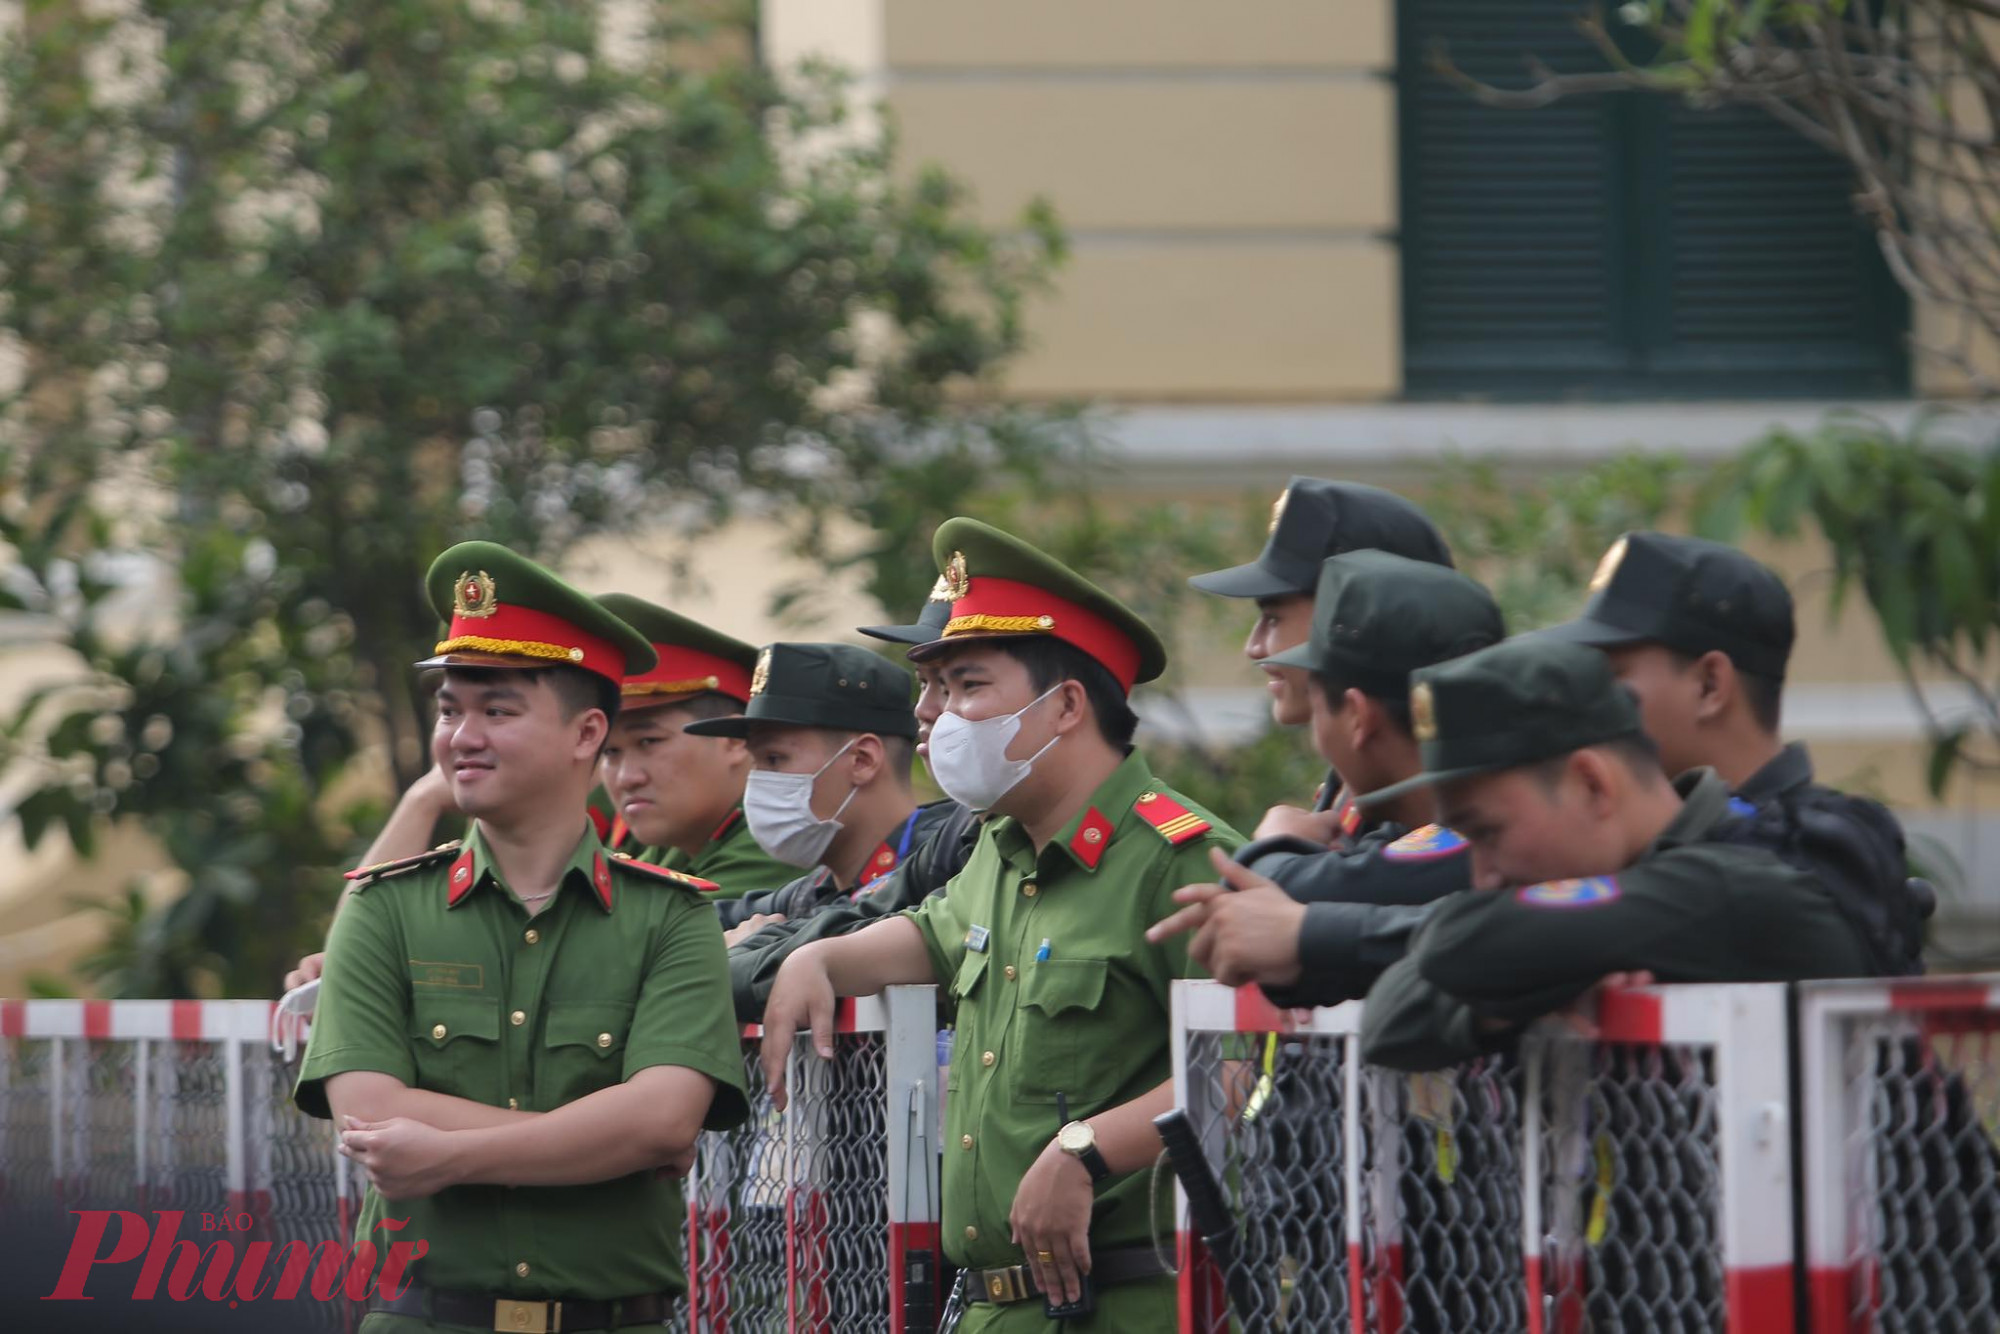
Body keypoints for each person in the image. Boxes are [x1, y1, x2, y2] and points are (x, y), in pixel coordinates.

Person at [760, 517, 1241, 1329]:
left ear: (1065, 707)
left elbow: (1245, 1064)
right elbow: (932, 934)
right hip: (989, 1306)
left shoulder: (1179, 859)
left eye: (965, 687)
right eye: (935, 690)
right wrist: (823, 961)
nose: (933, 715)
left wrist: (1088, 1150)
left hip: (1130, 1299)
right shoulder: (1001, 849)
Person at [294, 542, 749, 1332]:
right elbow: (368, 1113)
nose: (461, 735)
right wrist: (601, 1140)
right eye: (449, 710)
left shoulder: (670, 917)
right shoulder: (383, 908)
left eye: (497, 710)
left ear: (585, 735)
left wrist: (450, 1152)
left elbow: (664, 1122)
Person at [1356, 637, 1881, 1072]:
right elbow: (1387, 1016)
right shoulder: (1642, 884)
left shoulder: (1731, 880)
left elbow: (1457, 941)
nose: (1483, 875)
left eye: (1489, 833)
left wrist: (1537, 966)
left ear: (1592, 783)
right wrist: (1526, 992)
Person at [1534, 530, 1929, 972]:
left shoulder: (1814, 848)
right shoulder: (1655, 834)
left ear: (1710, 686)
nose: (1592, 703)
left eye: (1614, 679)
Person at [1147, 550, 1504, 1006]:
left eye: (1316, 706)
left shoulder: (1479, 837)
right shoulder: (1435, 825)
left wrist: (1276, 849)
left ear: (1356, 716)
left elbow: (1281, 892)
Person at [1188, 475, 1455, 842]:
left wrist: (1275, 851)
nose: (1254, 646)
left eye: (1273, 618)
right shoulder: (1348, 784)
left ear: (1352, 619)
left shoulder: (1439, 801)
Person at [678, 640, 957, 934]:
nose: (758, 781)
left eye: (774, 759)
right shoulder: (818, 887)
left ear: (862, 760)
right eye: (756, 762)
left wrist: (742, 951)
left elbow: (845, 934)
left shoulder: (943, 864)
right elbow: (688, 924)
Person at [593, 594, 795, 894]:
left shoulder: (779, 842)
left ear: (734, 739)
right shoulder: (679, 840)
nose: (626, 778)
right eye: (610, 751)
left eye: (649, 741)